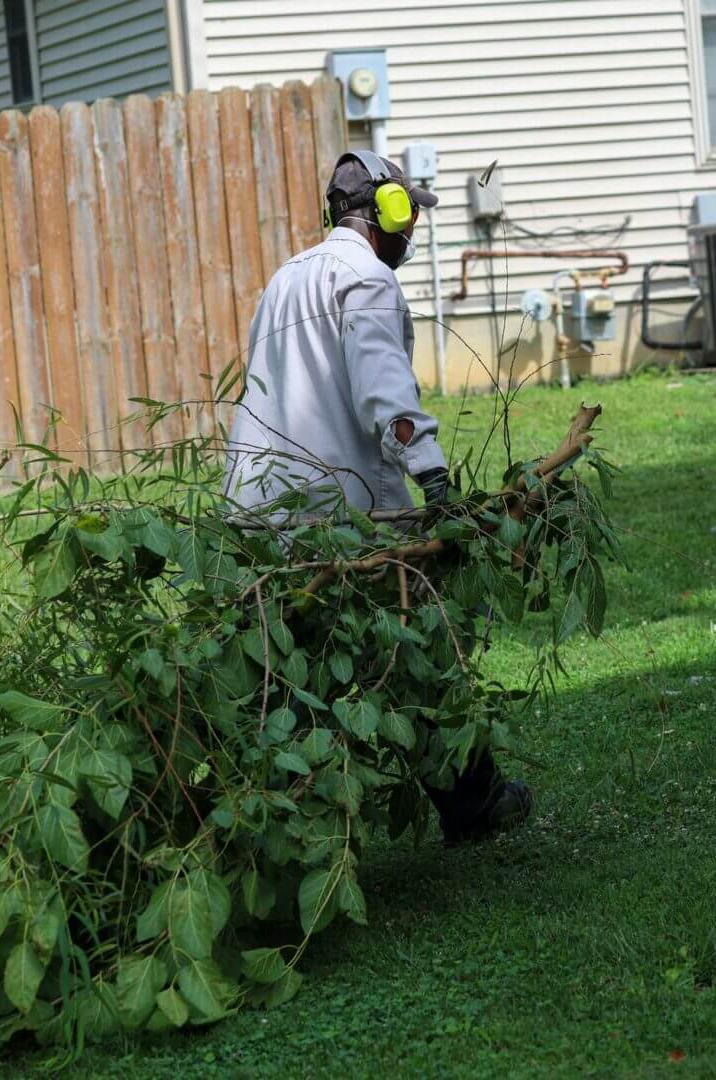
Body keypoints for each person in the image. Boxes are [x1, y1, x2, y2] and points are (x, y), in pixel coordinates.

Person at [223, 150, 531, 844]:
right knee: (413, 650)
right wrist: (434, 480)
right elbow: (386, 397)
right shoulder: (367, 280)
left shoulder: (287, 276)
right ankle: (472, 805)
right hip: (334, 509)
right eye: (409, 214)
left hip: (256, 507)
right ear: (387, 213)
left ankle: (276, 820)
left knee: (287, 668)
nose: (412, 230)